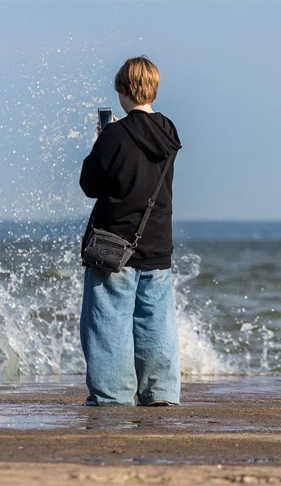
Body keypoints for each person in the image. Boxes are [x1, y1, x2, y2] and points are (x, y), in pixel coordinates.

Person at [79, 56, 182, 406]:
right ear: (153, 88)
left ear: (123, 91)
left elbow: (90, 184)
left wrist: (100, 141)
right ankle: (161, 394)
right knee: (156, 324)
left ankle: (113, 396)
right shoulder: (169, 131)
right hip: (157, 242)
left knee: (108, 324)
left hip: (113, 245)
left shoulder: (115, 135)